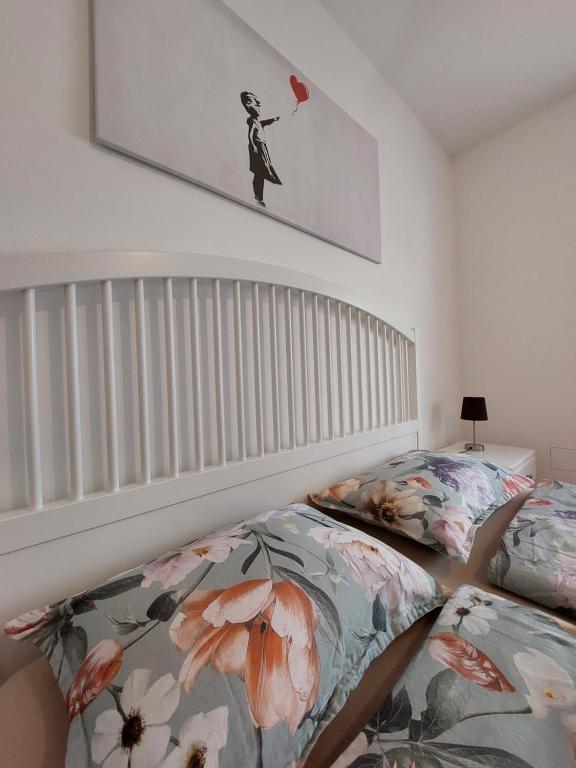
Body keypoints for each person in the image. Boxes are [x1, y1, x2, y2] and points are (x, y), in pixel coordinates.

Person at [240, 91, 281, 207]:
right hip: (257, 148)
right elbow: (250, 134)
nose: (259, 105)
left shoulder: (258, 122)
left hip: (262, 147)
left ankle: (259, 196)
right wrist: (253, 146)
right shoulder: (253, 122)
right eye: (255, 103)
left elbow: (265, 122)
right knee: (259, 173)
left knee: (261, 173)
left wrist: (274, 119)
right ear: (248, 105)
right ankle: (258, 196)